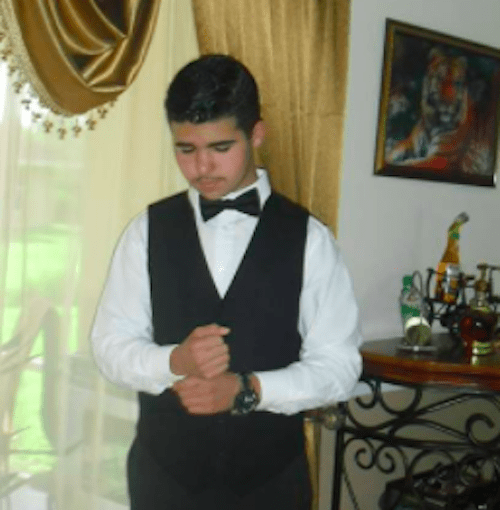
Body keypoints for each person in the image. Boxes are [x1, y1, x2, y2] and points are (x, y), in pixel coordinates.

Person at [91, 54, 363, 510]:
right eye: (185, 149)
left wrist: (247, 390)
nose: (201, 169)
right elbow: (109, 347)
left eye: (220, 148)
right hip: (163, 480)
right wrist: (174, 359)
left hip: (271, 485)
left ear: (256, 134)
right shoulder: (147, 230)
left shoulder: (310, 239)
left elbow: (339, 367)